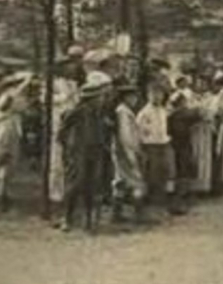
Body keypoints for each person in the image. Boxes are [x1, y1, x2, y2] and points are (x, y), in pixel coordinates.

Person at [58, 77, 111, 231]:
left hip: (95, 150)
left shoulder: (100, 113)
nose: (102, 99)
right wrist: (68, 148)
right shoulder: (78, 111)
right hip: (79, 151)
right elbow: (63, 129)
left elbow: (102, 131)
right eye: (99, 97)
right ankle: (67, 218)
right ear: (91, 98)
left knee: (92, 184)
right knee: (75, 183)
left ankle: (88, 219)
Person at [137, 86, 183, 215]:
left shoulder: (163, 111)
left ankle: (170, 202)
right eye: (154, 94)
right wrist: (144, 145)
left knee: (170, 173)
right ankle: (153, 204)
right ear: (148, 95)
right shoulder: (144, 113)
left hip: (164, 144)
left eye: (160, 94)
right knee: (153, 175)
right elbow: (139, 132)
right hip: (151, 146)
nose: (157, 97)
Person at [111, 85, 149, 224]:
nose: (134, 99)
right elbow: (125, 135)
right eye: (132, 96)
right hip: (125, 150)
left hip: (122, 150)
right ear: (125, 97)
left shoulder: (125, 111)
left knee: (120, 181)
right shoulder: (123, 112)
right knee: (137, 181)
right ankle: (138, 215)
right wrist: (135, 150)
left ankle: (117, 213)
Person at [49, 59, 80, 219]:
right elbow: (46, 100)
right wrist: (65, 96)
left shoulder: (74, 84)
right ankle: (55, 195)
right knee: (56, 162)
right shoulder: (52, 84)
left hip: (72, 125)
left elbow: (77, 103)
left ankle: (68, 194)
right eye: (67, 66)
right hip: (57, 123)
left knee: (70, 160)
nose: (71, 68)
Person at [0, 75, 33, 212]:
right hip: (3, 131)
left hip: (11, 131)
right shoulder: (6, 97)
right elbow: (4, 106)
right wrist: (24, 83)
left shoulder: (17, 97)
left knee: (8, 166)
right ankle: (1, 196)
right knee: (1, 160)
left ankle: (3, 195)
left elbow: (24, 108)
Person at [168, 93, 201, 213]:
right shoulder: (177, 114)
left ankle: (184, 194)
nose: (183, 104)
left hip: (183, 142)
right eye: (181, 102)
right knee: (182, 169)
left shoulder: (175, 114)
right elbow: (196, 115)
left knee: (185, 168)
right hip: (179, 144)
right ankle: (180, 196)